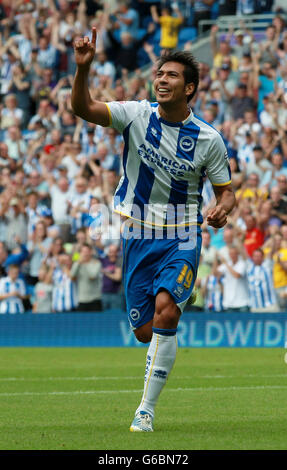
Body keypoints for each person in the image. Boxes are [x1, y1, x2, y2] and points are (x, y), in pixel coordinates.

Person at [71, 28, 236, 432]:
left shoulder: (209, 139)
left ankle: (145, 410)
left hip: (183, 234)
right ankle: (177, 296)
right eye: (159, 73)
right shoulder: (135, 114)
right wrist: (83, 69)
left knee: (167, 310)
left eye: (172, 75)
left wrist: (221, 210)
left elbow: (227, 193)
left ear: (190, 87)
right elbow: (84, 109)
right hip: (136, 234)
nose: (161, 79)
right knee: (147, 331)